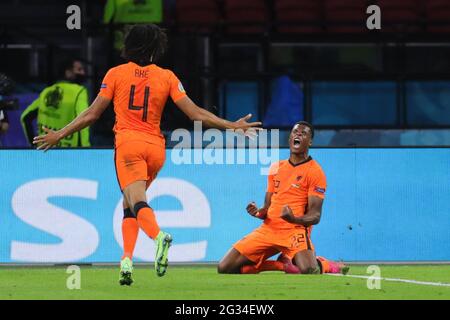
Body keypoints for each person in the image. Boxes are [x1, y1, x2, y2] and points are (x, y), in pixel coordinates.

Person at [33, 24, 261, 285]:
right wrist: (232, 125)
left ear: (129, 45)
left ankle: (158, 236)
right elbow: (196, 114)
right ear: (156, 48)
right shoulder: (167, 76)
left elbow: (92, 114)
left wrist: (59, 135)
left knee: (137, 201)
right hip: (155, 148)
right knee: (130, 204)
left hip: (128, 145)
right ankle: (126, 263)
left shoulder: (116, 74)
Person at [218, 121, 348, 275]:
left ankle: (327, 265)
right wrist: (258, 212)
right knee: (225, 267)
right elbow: (266, 208)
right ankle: (280, 265)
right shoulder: (276, 167)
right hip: (268, 230)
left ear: (310, 141)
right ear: (290, 138)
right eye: (295, 132)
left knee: (309, 270)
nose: (298, 134)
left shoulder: (315, 171)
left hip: (294, 231)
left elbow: (315, 215)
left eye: (303, 133)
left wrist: (294, 219)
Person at [21, 58, 90, 148]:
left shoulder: (47, 91)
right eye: (79, 70)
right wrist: (85, 148)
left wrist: (33, 145)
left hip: (44, 149)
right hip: (70, 153)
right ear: (68, 72)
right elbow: (84, 120)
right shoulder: (79, 91)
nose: (83, 73)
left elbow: (25, 117)